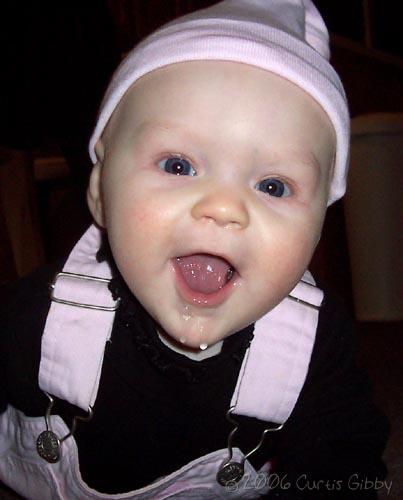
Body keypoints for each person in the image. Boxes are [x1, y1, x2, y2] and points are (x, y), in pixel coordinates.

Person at [0, 1, 389, 498]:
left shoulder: (315, 345)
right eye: (178, 165)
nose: (224, 208)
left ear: (318, 229)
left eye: (273, 186)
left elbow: (343, 462)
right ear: (99, 190)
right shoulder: (42, 314)